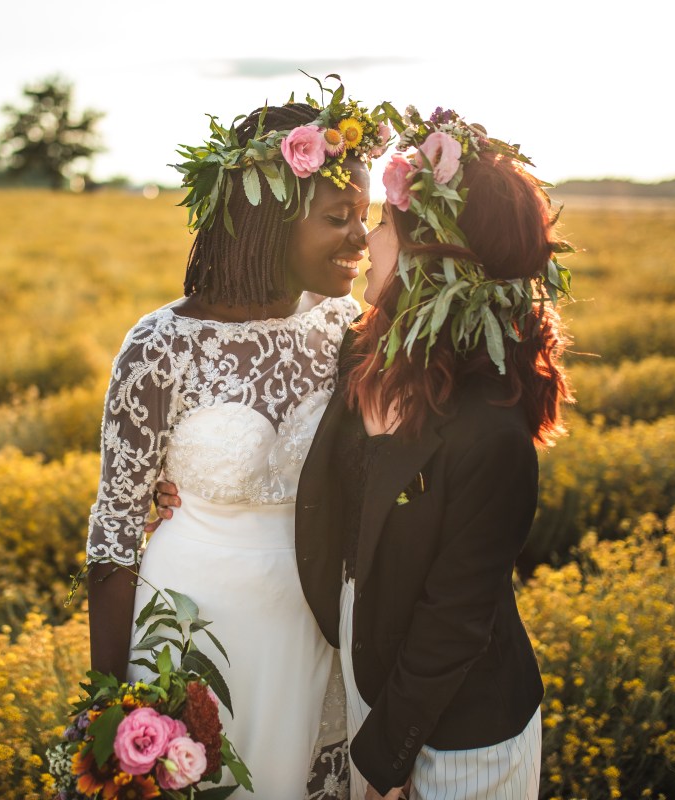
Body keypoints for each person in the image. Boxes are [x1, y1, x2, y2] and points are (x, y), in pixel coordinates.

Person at [86, 82, 390, 798]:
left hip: (313, 626)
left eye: (367, 216)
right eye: (339, 217)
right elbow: (114, 529)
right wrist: (104, 709)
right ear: (267, 220)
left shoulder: (347, 327)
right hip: (192, 623)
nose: (360, 238)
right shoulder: (160, 345)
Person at [294, 106, 574, 799]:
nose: (365, 237)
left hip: (465, 732)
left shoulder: (492, 428)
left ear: (433, 257)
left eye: (384, 226)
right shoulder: (365, 350)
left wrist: (387, 761)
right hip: (370, 674)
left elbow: (456, 617)